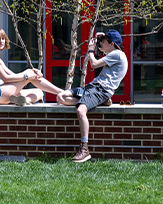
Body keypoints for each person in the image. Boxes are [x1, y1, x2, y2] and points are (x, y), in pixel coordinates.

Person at [31, 29, 128, 163]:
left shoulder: (117, 54)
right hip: (92, 87)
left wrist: (90, 50)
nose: (101, 45)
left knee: (80, 110)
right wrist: (101, 36)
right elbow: (104, 45)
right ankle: (97, 102)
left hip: (101, 90)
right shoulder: (114, 53)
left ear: (112, 44)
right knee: (61, 97)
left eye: (104, 42)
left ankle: (84, 149)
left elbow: (93, 64)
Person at [0, 28, 44, 105]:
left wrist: (31, 74)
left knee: (39, 92)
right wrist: (27, 77)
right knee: (29, 73)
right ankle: (59, 92)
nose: (1, 41)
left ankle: (24, 100)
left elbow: (13, 76)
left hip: (1, 91)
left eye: (3, 38)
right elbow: (5, 78)